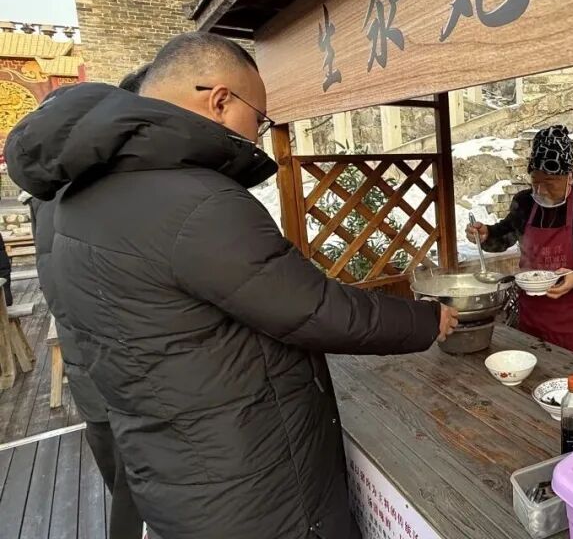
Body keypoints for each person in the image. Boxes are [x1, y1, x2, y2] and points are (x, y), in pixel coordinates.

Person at [4, 32, 458, 539]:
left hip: (174, 465)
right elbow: (313, 308)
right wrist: (425, 318)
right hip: (249, 483)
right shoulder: (195, 200)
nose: (258, 137)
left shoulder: (75, 197)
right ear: (220, 100)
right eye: (258, 119)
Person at [23, 64, 151, 539]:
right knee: (148, 495)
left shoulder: (49, 188)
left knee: (130, 495)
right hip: (132, 380)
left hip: (92, 376)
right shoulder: (107, 187)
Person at [467, 125, 573, 364]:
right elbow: (505, 235)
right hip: (533, 324)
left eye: (550, 182)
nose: (541, 190)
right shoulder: (525, 203)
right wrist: (486, 235)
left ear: (570, 176)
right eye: (536, 180)